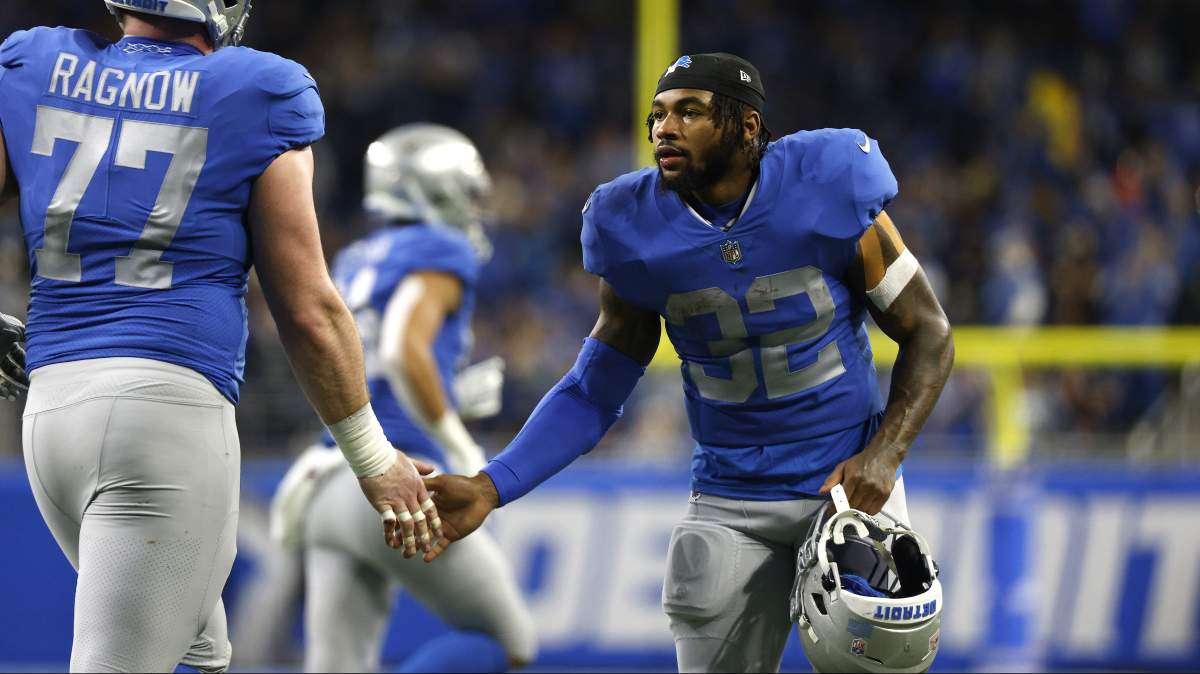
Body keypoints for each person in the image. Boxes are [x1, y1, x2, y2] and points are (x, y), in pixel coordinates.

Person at [425, 53, 955, 673]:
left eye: (690, 112)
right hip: (731, 501)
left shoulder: (829, 183)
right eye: (657, 115)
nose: (664, 129)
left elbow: (928, 331)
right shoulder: (633, 228)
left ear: (748, 127)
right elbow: (594, 392)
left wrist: (885, 455)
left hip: (848, 491)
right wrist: (491, 486)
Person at [0, 3, 440, 671]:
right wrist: (373, 457)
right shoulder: (257, 88)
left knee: (201, 655)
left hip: (52, 413)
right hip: (164, 416)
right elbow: (307, 310)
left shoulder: (35, 62)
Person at [270, 124, 537, 672]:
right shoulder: (440, 248)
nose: (473, 206)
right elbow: (399, 350)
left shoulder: (357, 257)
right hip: (403, 478)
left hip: (331, 478)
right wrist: (457, 440)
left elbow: (364, 364)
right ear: (436, 189)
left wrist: (450, 394)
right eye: (465, 191)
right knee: (509, 644)